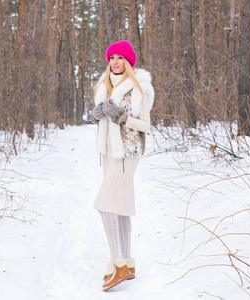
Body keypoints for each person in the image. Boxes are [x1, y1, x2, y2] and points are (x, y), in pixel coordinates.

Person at [91, 40, 155, 292]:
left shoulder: (140, 86)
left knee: (105, 205)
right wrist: (97, 116)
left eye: (121, 58)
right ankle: (128, 263)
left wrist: (120, 116)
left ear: (129, 62)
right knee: (120, 207)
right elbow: (103, 120)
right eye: (112, 57)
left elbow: (145, 125)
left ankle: (116, 262)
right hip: (108, 152)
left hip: (127, 152)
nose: (116, 62)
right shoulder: (103, 84)